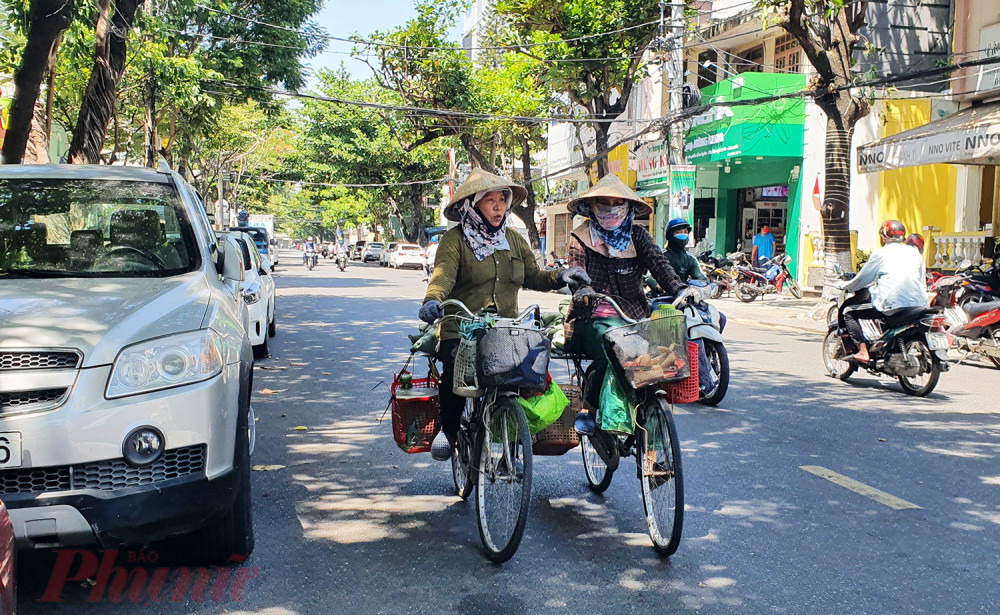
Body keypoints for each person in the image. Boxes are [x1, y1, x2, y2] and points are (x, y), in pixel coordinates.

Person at [418, 168, 590, 461]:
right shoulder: (454, 240)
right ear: (472, 204)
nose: (499, 207)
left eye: (502, 200)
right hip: (462, 328)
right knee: (454, 372)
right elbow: (442, 277)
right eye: (490, 200)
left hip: (506, 329)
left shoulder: (513, 239)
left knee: (526, 374)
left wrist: (562, 276)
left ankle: (515, 440)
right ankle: (448, 431)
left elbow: (534, 276)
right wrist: (432, 301)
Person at [562, 175, 686, 435]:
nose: (610, 208)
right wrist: (582, 287)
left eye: (616, 202)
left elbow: (659, 263)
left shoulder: (637, 236)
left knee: (653, 362)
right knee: (611, 349)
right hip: (592, 318)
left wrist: (681, 289)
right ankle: (590, 407)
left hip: (632, 317)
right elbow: (575, 267)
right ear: (593, 206)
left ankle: (648, 422)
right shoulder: (581, 236)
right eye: (603, 203)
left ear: (627, 207)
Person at [839, 220, 927, 364]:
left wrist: (845, 286)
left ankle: (862, 352)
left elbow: (863, 279)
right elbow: (922, 283)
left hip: (891, 304)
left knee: (848, 312)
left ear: (884, 236)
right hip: (919, 304)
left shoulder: (880, 254)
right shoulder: (915, 253)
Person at [663, 218, 707, 283]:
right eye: (678, 232)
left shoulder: (690, 259)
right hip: (662, 292)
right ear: (669, 235)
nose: (683, 235)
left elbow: (701, 278)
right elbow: (649, 277)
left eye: (685, 232)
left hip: (683, 292)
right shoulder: (661, 256)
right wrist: (656, 286)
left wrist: (716, 284)